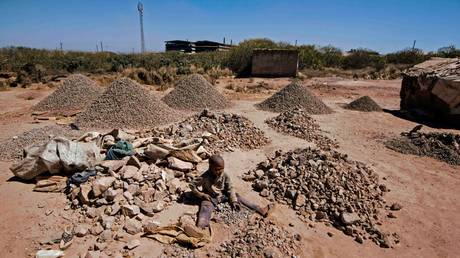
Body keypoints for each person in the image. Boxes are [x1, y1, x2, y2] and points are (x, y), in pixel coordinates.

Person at [190, 154, 272, 228]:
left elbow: (230, 188)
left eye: (222, 169)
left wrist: (234, 201)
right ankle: (201, 225)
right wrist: (201, 195)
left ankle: (260, 209)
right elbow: (192, 185)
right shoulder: (205, 176)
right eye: (217, 169)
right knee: (205, 207)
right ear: (210, 167)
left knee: (237, 196)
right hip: (210, 197)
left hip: (222, 195)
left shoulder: (224, 175)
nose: (219, 171)